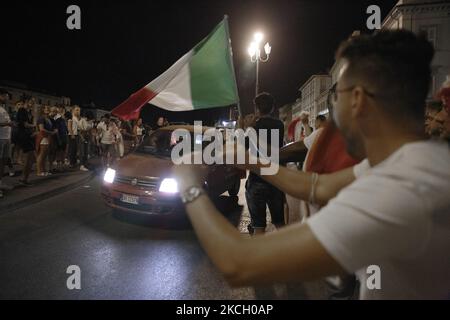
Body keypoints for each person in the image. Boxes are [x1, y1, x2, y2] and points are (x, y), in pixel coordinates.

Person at [172, 30, 450, 299]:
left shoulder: (405, 187)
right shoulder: (410, 162)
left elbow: (237, 263)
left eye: (335, 95)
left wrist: (189, 184)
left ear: (358, 100)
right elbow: (317, 186)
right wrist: (252, 162)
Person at [245, 92, 285, 235]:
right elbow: (276, 150)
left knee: (258, 227)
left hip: (257, 179)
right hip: (275, 179)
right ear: (273, 108)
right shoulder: (279, 125)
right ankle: (286, 255)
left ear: (256, 108)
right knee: (280, 223)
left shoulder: (253, 126)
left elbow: (242, 147)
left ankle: (258, 256)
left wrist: (247, 128)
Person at [16, 99, 36, 186]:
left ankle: (25, 179)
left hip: (29, 135)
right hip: (24, 136)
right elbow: (24, 124)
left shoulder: (29, 112)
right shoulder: (22, 110)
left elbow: (29, 124)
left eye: (33, 103)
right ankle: (23, 179)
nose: (32, 104)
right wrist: (34, 126)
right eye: (30, 102)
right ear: (25, 102)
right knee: (28, 158)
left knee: (31, 158)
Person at [35, 105, 57, 176]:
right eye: (45, 108)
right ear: (42, 110)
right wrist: (52, 132)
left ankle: (43, 170)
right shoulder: (41, 118)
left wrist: (53, 131)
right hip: (43, 137)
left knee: (44, 156)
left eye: (48, 108)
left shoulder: (48, 118)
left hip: (47, 137)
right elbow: (41, 129)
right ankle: (39, 171)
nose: (47, 109)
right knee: (41, 155)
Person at [0, 89, 13, 197]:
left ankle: (0, 183)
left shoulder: (3, 109)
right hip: (0, 138)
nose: (7, 98)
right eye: (5, 96)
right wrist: (8, 123)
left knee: (3, 161)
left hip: (6, 138)